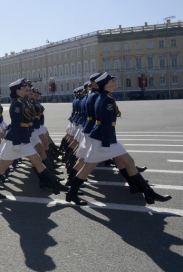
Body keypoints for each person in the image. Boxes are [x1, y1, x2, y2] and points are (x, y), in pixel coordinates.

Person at [65, 73, 172, 205]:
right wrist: (105, 144)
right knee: (89, 167)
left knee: (128, 162)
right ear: (106, 84)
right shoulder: (106, 100)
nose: (115, 81)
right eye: (112, 80)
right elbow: (104, 123)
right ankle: (71, 193)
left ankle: (148, 193)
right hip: (104, 140)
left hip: (103, 138)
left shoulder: (104, 97)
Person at [0, 79, 67, 200]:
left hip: (24, 138)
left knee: (37, 161)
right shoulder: (17, 104)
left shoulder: (24, 101)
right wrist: (17, 143)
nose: (27, 88)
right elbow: (15, 125)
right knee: (3, 165)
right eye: (24, 87)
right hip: (15, 140)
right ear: (18, 90)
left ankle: (55, 184)